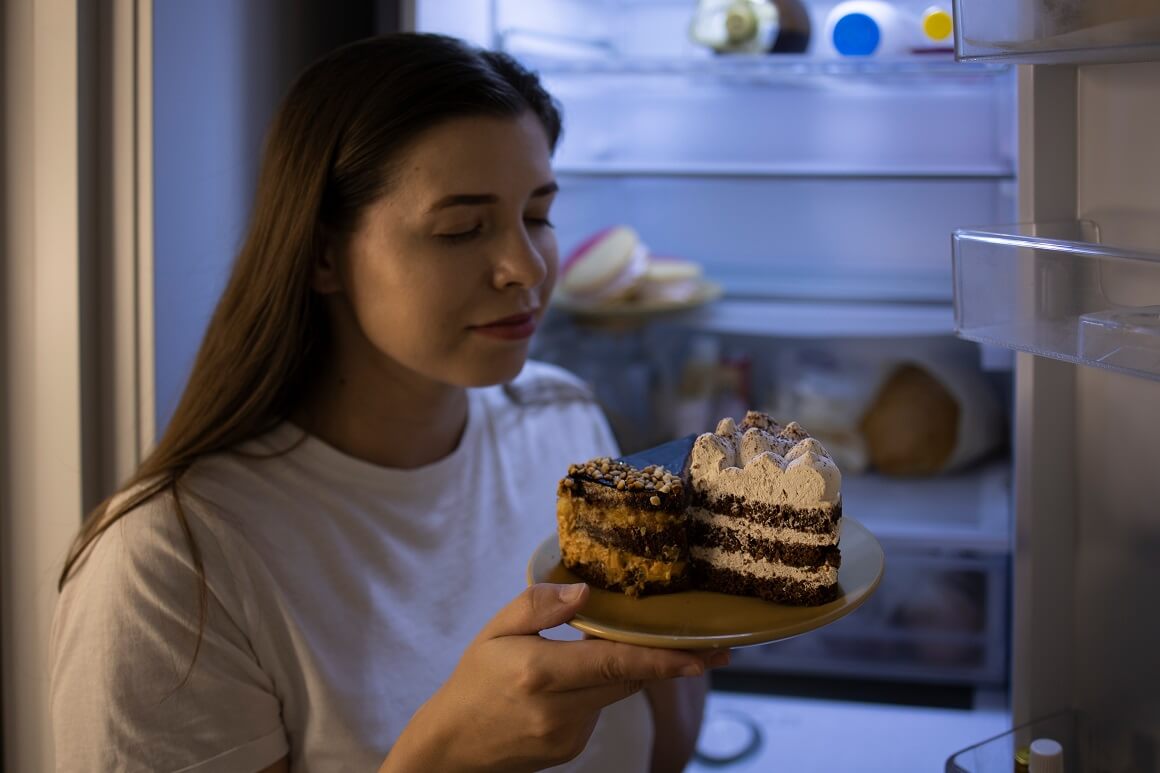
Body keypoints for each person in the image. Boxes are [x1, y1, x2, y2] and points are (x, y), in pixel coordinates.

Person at [49, 33, 728, 773]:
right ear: (321, 256)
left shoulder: (561, 421)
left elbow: (655, 749)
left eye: (536, 215)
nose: (525, 267)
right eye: (461, 228)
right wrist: (441, 755)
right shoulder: (172, 565)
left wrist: (690, 612)